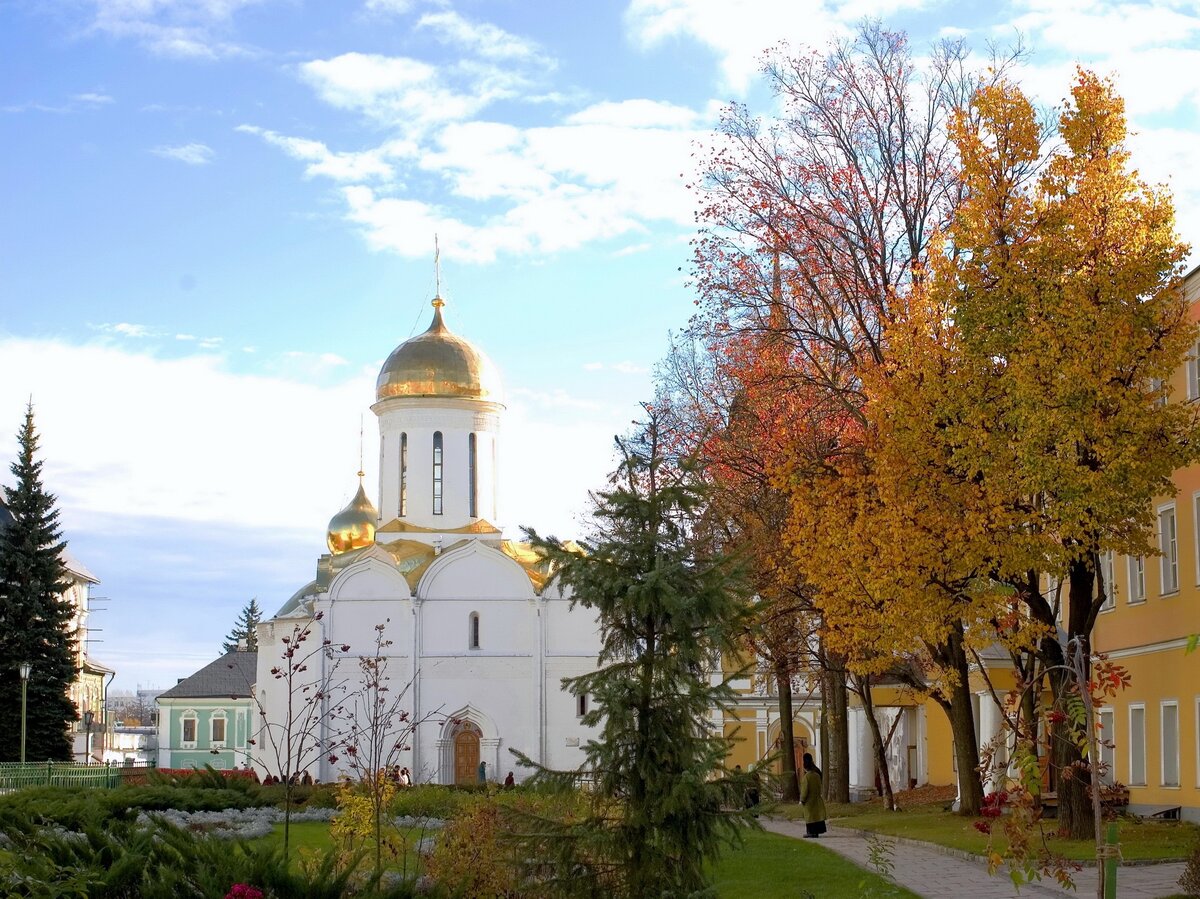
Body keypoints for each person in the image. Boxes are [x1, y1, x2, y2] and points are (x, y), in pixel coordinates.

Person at [799, 752, 827, 838]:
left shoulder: (806, 777)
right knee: (817, 815)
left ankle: (811, 832)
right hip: (817, 798)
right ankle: (817, 831)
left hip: (809, 801)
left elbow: (804, 791)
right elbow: (819, 786)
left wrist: (802, 799)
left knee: (810, 816)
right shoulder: (817, 775)